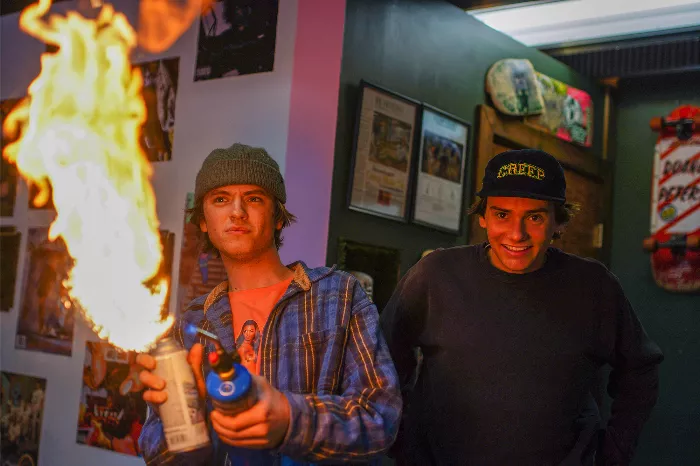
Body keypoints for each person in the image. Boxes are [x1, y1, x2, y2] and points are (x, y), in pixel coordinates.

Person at [380, 149, 663, 466]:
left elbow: (640, 370)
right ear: (483, 217)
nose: (517, 234)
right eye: (502, 215)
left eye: (535, 217)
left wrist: (613, 454)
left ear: (558, 222)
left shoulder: (594, 286)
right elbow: (381, 362)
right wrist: (401, 443)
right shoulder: (436, 274)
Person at [137, 143, 401, 465]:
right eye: (220, 199)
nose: (236, 212)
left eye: (253, 198)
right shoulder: (193, 324)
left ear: (277, 216)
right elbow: (156, 453)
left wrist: (290, 420)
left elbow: (381, 418)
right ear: (203, 220)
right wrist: (190, 419)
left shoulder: (338, 297)